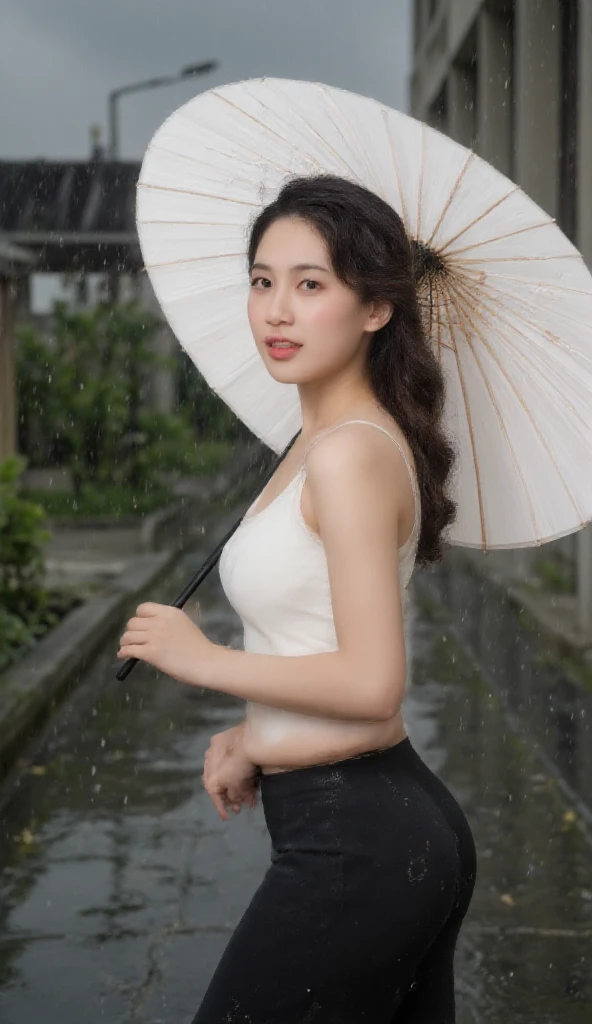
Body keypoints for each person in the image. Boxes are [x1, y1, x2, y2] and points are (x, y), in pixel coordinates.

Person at [118, 173, 477, 1022]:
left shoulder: (350, 454)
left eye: (311, 285)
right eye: (262, 281)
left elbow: (371, 681)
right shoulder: (317, 439)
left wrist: (208, 662)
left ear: (376, 308)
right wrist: (256, 734)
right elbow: (318, 634)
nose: (276, 310)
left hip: (358, 839)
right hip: (376, 821)